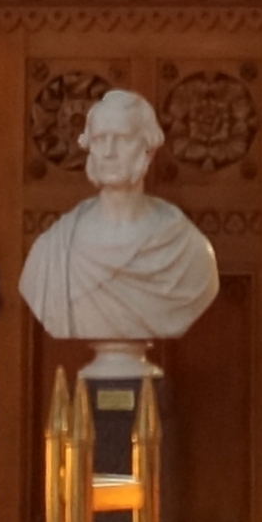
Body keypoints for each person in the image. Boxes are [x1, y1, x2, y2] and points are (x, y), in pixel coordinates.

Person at [19, 86, 221, 349]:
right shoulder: (52, 252)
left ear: (147, 148)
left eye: (122, 138)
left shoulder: (187, 249)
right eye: (100, 139)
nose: (109, 151)